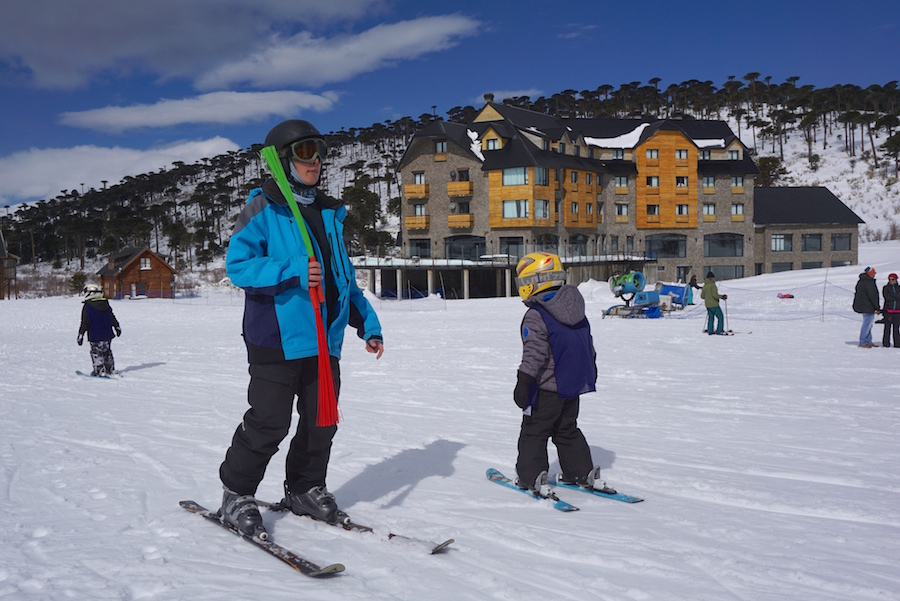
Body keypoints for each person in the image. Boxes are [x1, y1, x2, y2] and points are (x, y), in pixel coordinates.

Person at [218, 119, 384, 539]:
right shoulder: (263, 209)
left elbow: (340, 279)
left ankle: (305, 488)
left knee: (321, 423)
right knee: (269, 422)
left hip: (324, 344)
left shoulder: (329, 215)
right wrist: (291, 269)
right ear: (281, 160)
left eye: (319, 151)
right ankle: (236, 494)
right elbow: (238, 267)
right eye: (305, 152)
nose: (315, 161)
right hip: (276, 339)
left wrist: (368, 324)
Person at [512, 252, 607, 496]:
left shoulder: (537, 314)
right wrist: (590, 371)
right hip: (572, 386)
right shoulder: (576, 309)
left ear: (535, 281)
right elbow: (587, 345)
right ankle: (580, 471)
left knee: (534, 431)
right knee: (567, 429)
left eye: (524, 283)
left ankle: (530, 477)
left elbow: (534, 354)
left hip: (545, 389)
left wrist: (523, 383)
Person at [77, 284, 121, 376]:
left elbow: (85, 322)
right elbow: (112, 317)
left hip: (95, 334)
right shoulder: (105, 303)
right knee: (107, 351)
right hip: (107, 334)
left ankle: (99, 370)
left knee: (96, 352)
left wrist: (81, 334)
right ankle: (110, 369)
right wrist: (117, 327)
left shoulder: (88, 306)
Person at [853, 266, 880, 348]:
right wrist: (877, 307)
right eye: (874, 273)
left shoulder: (861, 281)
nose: (874, 275)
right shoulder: (869, 282)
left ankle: (868, 341)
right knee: (867, 324)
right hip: (868, 307)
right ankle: (863, 342)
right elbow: (873, 296)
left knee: (869, 324)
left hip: (863, 306)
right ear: (870, 274)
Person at [881, 272, 899, 348]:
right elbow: (887, 298)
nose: (891, 281)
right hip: (888, 310)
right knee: (887, 328)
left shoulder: (899, 287)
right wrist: (897, 296)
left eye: (892, 279)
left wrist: (892, 295)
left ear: (896, 280)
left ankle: (897, 344)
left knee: (896, 329)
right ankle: (886, 344)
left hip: (898, 311)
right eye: (889, 279)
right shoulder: (885, 288)